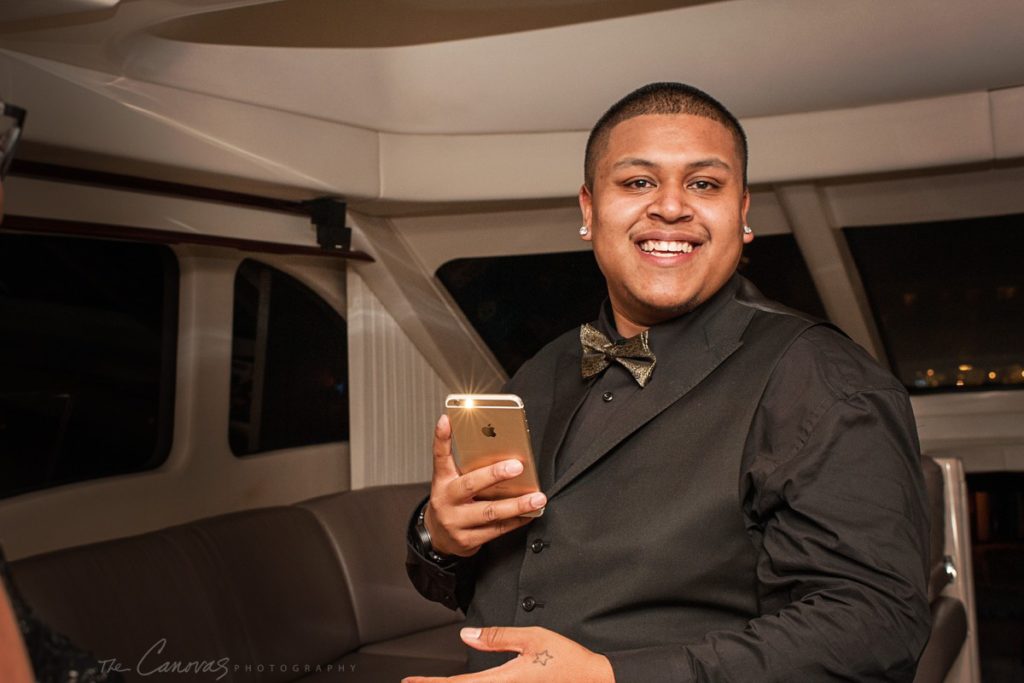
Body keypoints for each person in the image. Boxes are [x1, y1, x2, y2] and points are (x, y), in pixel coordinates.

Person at [405, 82, 930, 682]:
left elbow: (874, 627)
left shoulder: (823, 380)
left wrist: (612, 678)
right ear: (588, 210)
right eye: (638, 183)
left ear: (741, 213)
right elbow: (494, 571)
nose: (672, 208)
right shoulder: (544, 367)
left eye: (704, 184)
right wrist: (440, 535)